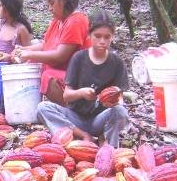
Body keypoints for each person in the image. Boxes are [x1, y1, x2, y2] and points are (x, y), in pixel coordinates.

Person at [37, 10, 130, 147]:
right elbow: (67, 96)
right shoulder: (79, 58)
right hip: (76, 118)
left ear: (112, 37)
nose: (102, 41)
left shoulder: (116, 62)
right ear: (89, 35)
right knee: (42, 108)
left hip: (100, 118)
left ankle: (109, 146)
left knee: (120, 112)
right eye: (97, 36)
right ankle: (81, 136)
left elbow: (120, 96)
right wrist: (82, 93)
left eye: (107, 37)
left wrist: (115, 102)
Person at [14, 0, 90, 105]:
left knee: (47, 76)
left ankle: (73, 111)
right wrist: (23, 50)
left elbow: (60, 56)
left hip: (80, 80)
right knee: (32, 61)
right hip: (67, 74)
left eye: (52, 3)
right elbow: (46, 45)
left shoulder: (76, 21)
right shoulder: (58, 21)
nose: (49, 8)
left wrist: (30, 54)